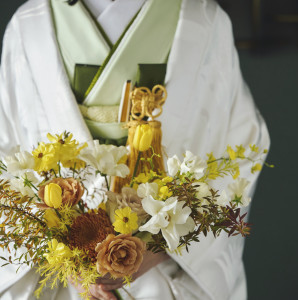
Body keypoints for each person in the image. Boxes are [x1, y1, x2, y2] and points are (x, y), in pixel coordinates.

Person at [0, 0, 270, 299]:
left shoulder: (202, 18)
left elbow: (241, 143)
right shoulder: (30, 24)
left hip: (166, 273)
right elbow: (8, 149)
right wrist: (62, 255)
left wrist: (163, 244)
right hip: (62, 278)